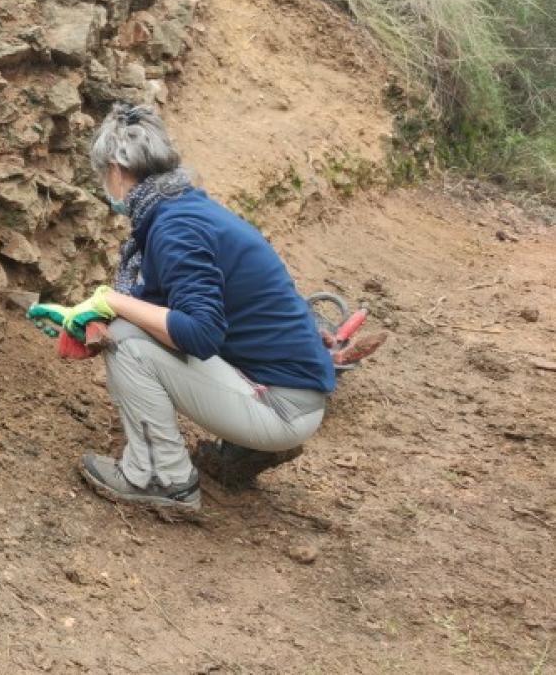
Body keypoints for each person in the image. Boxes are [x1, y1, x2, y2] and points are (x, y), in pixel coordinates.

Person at [27, 105, 335, 517]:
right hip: (292, 392)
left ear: (117, 170)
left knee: (125, 341)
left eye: (103, 176)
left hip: (282, 408)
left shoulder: (175, 229)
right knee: (123, 325)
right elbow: (163, 305)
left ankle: (162, 477)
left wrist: (113, 303)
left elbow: (200, 333)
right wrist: (83, 315)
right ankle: (198, 459)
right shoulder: (185, 209)